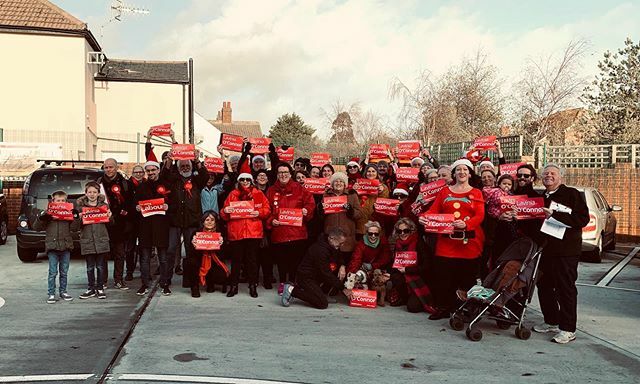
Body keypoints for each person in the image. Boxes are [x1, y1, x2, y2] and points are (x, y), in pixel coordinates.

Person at [421, 158, 485, 320]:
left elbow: (480, 215)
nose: (462, 172)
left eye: (465, 170)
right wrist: (424, 218)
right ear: (454, 173)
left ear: (470, 173)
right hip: (446, 242)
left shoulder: (476, 192)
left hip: (468, 243)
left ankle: (465, 308)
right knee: (443, 277)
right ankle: (444, 307)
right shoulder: (444, 191)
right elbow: (434, 210)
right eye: (458, 170)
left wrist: (466, 224)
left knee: (467, 278)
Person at [533, 164, 589, 344]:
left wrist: (555, 216)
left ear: (561, 177)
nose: (548, 176)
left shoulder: (572, 194)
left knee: (565, 288)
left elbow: (582, 219)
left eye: (552, 173)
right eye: (545, 173)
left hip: (566, 251)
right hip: (546, 250)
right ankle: (551, 320)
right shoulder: (542, 197)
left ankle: (567, 329)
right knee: (544, 286)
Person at [266, 163, 316, 293]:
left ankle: (292, 282)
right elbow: (267, 210)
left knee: (295, 261)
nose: (283, 175)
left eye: (285, 172)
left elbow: (310, 203)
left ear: (290, 173)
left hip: (297, 233)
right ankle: (282, 282)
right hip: (279, 232)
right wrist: (272, 220)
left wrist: (306, 210)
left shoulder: (300, 189)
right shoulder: (271, 190)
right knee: (281, 261)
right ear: (277, 175)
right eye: (280, 172)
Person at [220, 173, 271, 298]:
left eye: (247, 179)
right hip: (236, 233)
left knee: (252, 261)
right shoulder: (233, 194)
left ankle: (252, 286)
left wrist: (258, 213)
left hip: (253, 233)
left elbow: (267, 210)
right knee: (236, 261)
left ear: (251, 181)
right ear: (238, 181)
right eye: (242, 179)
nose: (245, 181)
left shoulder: (258, 194)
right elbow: (223, 213)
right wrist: (225, 211)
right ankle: (234, 286)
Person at [280, 227, 353, 309]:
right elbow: (326, 273)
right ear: (331, 238)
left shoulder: (333, 245)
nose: (341, 245)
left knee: (336, 271)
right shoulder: (320, 250)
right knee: (322, 304)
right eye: (340, 243)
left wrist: (342, 266)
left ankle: (322, 294)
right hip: (306, 277)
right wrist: (343, 288)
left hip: (318, 275)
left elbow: (339, 256)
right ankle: (292, 290)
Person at [165, 154, 209, 285]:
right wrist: (169, 160)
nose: (185, 168)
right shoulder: (174, 179)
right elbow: (165, 175)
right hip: (175, 220)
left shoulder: (196, 179)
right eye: (182, 166)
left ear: (191, 166)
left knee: (191, 250)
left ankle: (191, 279)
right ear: (178, 168)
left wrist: (197, 161)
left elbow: (205, 176)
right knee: (171, 249)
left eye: (187, 166)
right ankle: (167, 279)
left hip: (192, 220)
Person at [135, 160, 172, 296]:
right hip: (145, 227)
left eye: (153, 170)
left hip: (161, 226)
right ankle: (144, 284)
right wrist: (137, 207)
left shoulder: (166, 185)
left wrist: (169, 206)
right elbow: (135, 203)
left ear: (158, 170)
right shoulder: (141, 187)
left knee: (163, 258)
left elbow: (173, 203)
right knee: (144, 258)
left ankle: (165, 283)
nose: (151, 173)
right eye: (148, 171)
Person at [33, 190, 76, 304]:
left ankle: (63, 292)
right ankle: (51, 293)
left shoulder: (68, 213)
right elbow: (36, 227)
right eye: (58, 200)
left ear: (66, 202)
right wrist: (41, 218)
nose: (60, 202)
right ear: (53, 201)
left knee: (64, 272)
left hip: (66, 246)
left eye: (63, 201)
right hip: (52, 246)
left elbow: (75, 227)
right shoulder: (48, 214)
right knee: (52, 272)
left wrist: (75, 216)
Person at [97, 158, 134, 291]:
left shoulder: (125, 183)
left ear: (116, 167)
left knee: (120, 254)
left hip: (120, 224)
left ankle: (119, 280)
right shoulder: (98, 184)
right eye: (106, 167)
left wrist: (125, 214)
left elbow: (130, 202)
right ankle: (103, 281)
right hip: (103, 224)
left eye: (111, 167)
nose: (108, 170)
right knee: (104, 254)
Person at [388, 218, 435, 313]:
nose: (402, 233)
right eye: (399, 231)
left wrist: (408, 270)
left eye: (406, 231)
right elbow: (395, 263)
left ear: (411, 231)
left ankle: (414, 297)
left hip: (419, 279)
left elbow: (427, 266)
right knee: (395, 276)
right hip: (404, 277)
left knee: (413, 308)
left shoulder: (419, 243)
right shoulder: (398, 245)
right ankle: (405, 297)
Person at [76, 182, 113, 300]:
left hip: (101, 240)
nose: (92, 194)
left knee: (101, 267)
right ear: (85, 193)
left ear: (98, 193)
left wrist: (110, 216)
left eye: (94, 192)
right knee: (90, 267)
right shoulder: (81, 208)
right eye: (89, 192)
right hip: (88, 241)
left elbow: (111, 225)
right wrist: (79, 218)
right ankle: (91, 288)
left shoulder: (104, 206)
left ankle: (100, 288)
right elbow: (74, 226)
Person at [322, 172, 362, 269]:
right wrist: (321, 209)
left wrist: (350, 210)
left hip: (347, 237)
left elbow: (359, 214)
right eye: (336, 181)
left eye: (341, 181)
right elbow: (321, 216)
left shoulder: (352, 195)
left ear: (345, 184)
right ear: (332, 184)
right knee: (331, 265)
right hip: (331, 236)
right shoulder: (326, 195)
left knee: (346, 265)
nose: (338, 183)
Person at [187, 211, 228, 298]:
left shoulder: (220, 233)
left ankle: (211, 283)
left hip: (214, 258)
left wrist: (221, 245)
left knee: (218, 269)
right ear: (203, 222)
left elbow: (225, 254)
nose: (209, 222)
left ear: (215, 222)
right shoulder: (196, 233)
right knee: (192, 262)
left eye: (212, 220)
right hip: (200, 258)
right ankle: (194, 287)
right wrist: (194, 245)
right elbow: (191, 253)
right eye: (207, 220)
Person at [354, 164, 389, 239]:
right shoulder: (359, 185)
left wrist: (382, 192)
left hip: (375, 221)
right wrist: (354, 191)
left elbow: (385, 204)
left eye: (373, 171)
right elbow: (354, 201)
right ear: (365, 173)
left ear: (377, 173)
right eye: (368, 171)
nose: (371, 173)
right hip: (361, 221)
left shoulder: (383, 187)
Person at [125, 165, 145, 281]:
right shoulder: (127, 184)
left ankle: (144, 271)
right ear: (132, 173)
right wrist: (133, 208)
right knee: (130, 248)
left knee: (144, 248)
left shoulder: (146, 184)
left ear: (143, 173)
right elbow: (125, 201)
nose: (138, 174)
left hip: (143, 220)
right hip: (131, 220)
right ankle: (129, 271)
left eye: (140, 172)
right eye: (136, 172)